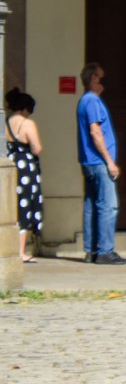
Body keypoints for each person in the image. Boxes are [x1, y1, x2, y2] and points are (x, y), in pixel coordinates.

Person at [76, 62, 126, 265]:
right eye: (102, 77)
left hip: (89, 162)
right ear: (93, 79)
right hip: (98, 162)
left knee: (91, 206)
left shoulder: (84, 101)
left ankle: (91, 251)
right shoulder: (92, 101)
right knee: (108, 206)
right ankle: (105, 251)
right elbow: (95, 132)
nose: (105, 82)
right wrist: (110, 161)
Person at [5, 87, 43, 263]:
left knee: (11, 207)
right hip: (26, 168)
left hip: (11, 164)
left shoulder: (5, 121)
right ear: (26, 108)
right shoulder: (27, 123)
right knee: (25, 207)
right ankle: (21, 251)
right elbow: (37, 148)